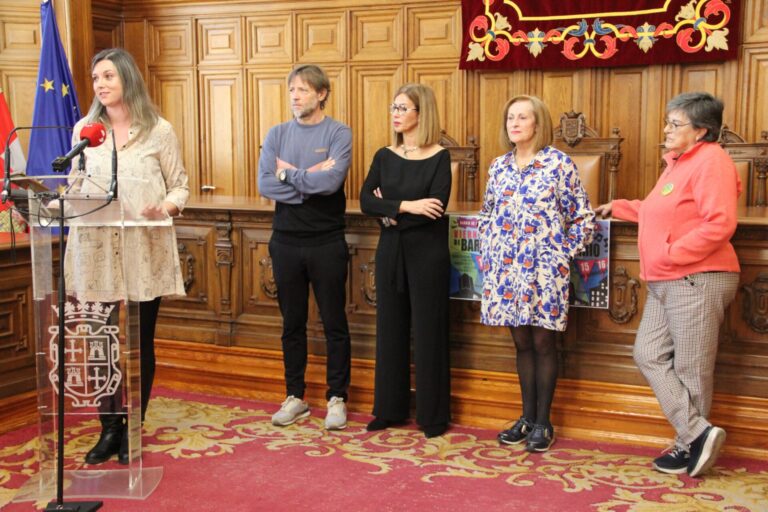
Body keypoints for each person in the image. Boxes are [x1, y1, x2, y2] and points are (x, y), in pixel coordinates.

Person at [595, 92, 740, 477]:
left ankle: (688, 444)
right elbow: (660, 210)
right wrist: (622, 206)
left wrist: (671, 253)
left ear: (701, 130)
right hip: (667, 277)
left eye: (675, 124)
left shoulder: (712, 162)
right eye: (667, 123)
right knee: (648, 354)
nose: (666, 130)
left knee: (692, 369)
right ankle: (697, 433)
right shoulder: (679, 164)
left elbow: (719, 224)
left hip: (696, 277)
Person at [65, 48, 189, 464]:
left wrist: (165, 208)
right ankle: (109, 428)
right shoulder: (85, 129)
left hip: (143, 246)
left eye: (109, 77)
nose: (100, 84)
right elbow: (75, 183)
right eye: (96, 77)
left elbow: (180, 187)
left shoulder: (159, 130)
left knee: (139, 342)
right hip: (96, 247)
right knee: (101, 341)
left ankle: (134, 425)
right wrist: (64, 200)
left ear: (128, 80)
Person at [479, 95, 595, 452]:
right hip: (507, 271)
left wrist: (560, 252)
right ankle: (526, 417)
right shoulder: (498, 166)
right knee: (521, 342)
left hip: (545, 271)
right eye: (510, 117)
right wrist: (490, 250)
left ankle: (544, 422)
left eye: (522, 117)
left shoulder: (558, 164)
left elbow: (583, 219)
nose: (514, 123)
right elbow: (487, 215)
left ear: (537, 123)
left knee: (544, 343)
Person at [257, 65, 352, 431]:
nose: (296, 96)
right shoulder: (277, 133)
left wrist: (288, 173)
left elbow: (330, 184)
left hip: (326, 240)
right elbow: (265, 184)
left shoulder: (339, 132)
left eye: (303, 90)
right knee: (291, 323)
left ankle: (336, 397)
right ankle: (295, 395)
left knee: (334, 323)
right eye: (292, 90)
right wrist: (307, 177)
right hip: (285, 241)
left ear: (322, 94)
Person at [360, 83, 452, 438]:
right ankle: (388, 409)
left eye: (402, 108)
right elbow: (367, 200)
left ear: (420, 113)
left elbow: (436, 207)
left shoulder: (440, 156)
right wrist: (404, 205)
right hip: (391, 249)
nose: (395, 114)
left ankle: (433, 417)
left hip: (428, 253)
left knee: (429, 332)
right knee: (390, 328)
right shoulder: (384, 155)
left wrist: (391, 208)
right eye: (393, 107)